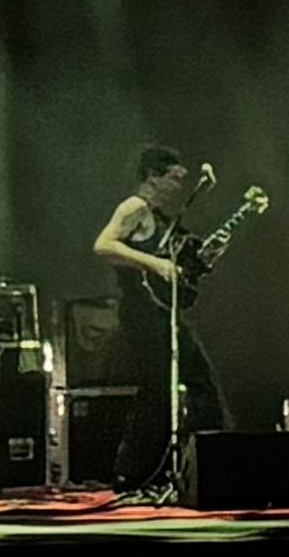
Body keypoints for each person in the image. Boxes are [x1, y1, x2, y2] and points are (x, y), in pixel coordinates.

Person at [93, 144, 229, 484]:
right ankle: (133, 473)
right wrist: (154, 263)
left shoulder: (163, 220)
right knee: (160, 390)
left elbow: (180, 269)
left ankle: (199, 465)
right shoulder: (134, 207)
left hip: (163, 312)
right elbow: (104, 245)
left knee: (194, 383)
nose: (178, 187)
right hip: (142, 313)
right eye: (173, 178)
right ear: (153, 177)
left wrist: (205, 258)